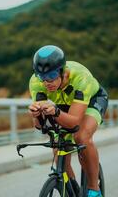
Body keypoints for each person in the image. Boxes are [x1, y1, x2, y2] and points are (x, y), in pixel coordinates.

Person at [28, 45, 108, 197]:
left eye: (51, 75)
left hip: (91, 100)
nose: (46, 82)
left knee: (81, 136)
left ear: (62, 72)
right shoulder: (36, 82)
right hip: (62, 104)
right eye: (42, 77)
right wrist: (36, 115)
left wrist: (56, 111)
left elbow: (75, 123)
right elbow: (40, 126)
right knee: (58, 146)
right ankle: (73, 189)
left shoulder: (80, 77)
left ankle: (93, 189)